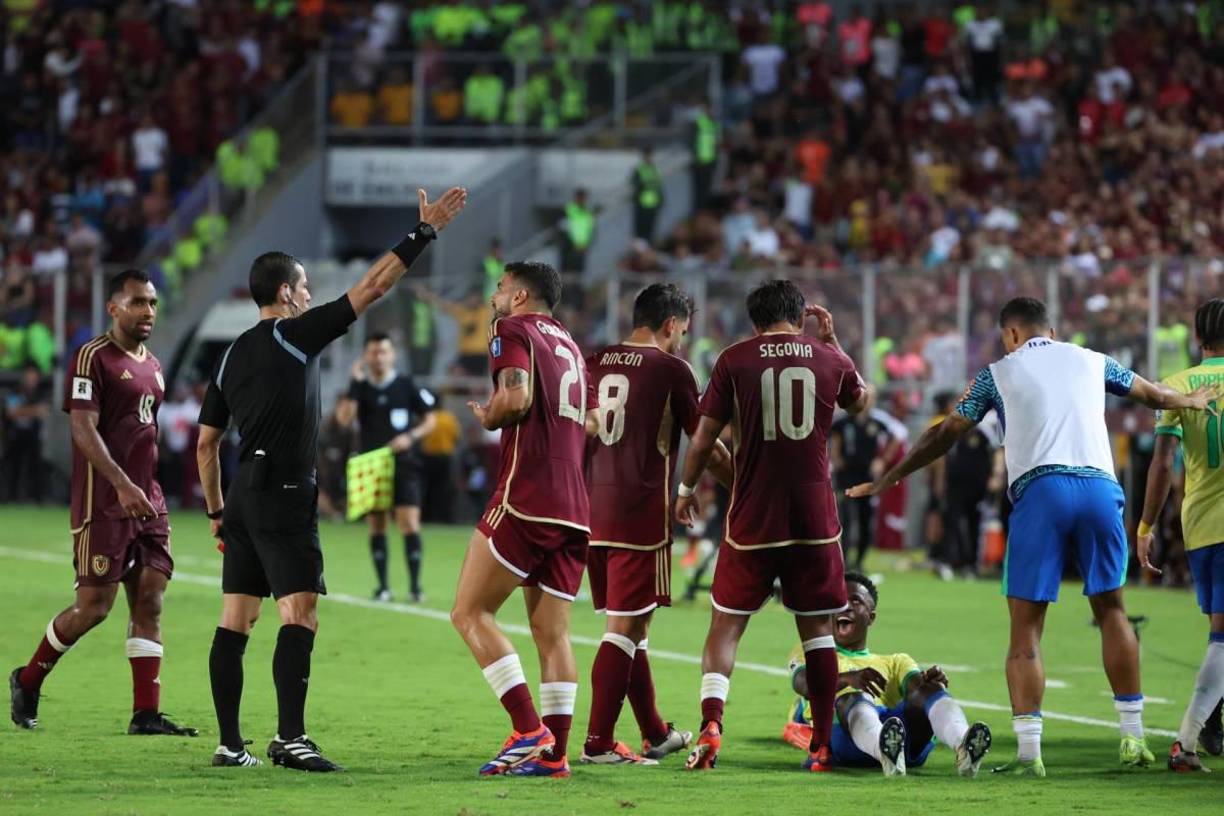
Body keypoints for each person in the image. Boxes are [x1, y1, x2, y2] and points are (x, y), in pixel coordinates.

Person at [847, 296, 1219, 776]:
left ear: (1012, 335)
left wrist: (888, 478)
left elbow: (945, 433)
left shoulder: (997, 372)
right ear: (1051, 328)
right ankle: (1133, 738)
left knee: (1026, 629)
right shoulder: (1092, 359)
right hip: (1101, 489)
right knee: (1112, 612)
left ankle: (1029, 754)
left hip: (1041, 490)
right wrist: (1189, 400)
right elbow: (1150, 394)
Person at [197, 186, 467, 771]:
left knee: (235, 618)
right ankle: (290, 739)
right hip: (286, 492)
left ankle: (229, 743)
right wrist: (423, 232)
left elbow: (206, 443)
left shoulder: (230, 354)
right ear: (285, 294)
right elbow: (373, 287)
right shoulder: (295, 335)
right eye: (303, 286)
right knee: (300, 613)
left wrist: (219, 512)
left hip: (243, 493)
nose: (310, 294)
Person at [674, 280, 870, 773]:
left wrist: (685, 489)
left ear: (754, 321)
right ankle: (822, 745)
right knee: (818, 632)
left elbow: (703, 438)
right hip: (814, 519)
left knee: (726, 624)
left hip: (752, 515)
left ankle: (712, 726)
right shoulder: (828, 358)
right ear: (802, 315)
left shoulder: (735, 359)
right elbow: (860, 403)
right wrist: (836, 345)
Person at [9, 269, 196, 737]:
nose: (148, 311)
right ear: (114, 308)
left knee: (150, 600)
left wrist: (144, 488)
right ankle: (28, 679)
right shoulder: (92, 357)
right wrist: (122, 485)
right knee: (94, 607)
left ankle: (146, 713)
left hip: (147, 498)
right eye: (137, 302)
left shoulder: (152, 364)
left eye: (152, 302)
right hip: (103, 501)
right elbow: (82, 430)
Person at [450, 261, 596, 779]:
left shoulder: (511, 330)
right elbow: (595, 424)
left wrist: (490, 416)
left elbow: (515, 398)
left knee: (469, 613)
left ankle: (529, 729)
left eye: (499, 287)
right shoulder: (573, 348)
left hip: (527, 495)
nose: (494, 294)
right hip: (576, 507)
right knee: (553, 634)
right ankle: (556, 756)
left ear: (520, 295)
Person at [581, 283, 732, 766]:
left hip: (589, 510)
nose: (683, 340)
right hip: (639, 515)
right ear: (670, 324)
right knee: (624, 629)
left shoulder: (596, 359)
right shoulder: (672, 369)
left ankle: (654, 733)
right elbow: (704, 441)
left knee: (634, 626)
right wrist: (746, 485)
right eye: (683, 331)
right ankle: (598, 743)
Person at [785, 571, 992, 777]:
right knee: (853, 697)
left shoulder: (896, 661)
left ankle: (963, 745)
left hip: (903, 741)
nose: (845, 606)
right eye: (839, 601)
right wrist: (850, 679)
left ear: (871, 617)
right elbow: (804, 684)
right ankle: (883, 749)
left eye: (855, 601)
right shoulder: (813, 652)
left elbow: (916, 689)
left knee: (930, 689)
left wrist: (931, 683)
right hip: (845, 741)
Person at [1136, 299, 1224, 772]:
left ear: (1197, 339)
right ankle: (1188, 740)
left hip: (1202, 523)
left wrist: (1147, 526)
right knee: (1222, 639)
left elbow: (1162, 464)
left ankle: (1209, 720)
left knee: (1220, 634)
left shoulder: (1177, 385)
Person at [336, 333, 438, 602]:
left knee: (409, 522)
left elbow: (430, 420)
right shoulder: (361, 388)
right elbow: (345, 420)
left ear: (392, 355)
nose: (378, 357)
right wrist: (353, 384)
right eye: (373, 352)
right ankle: (383, 587)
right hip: (372, 464)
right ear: (366, 356)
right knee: (377, 525)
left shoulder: (405, 385)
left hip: (404, 463)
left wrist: (411, 437)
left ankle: (415, 587)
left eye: (383, 352)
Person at [829, 389, 890, 571]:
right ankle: (844, 560)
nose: (869, 401)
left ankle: (860, 560)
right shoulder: (843, 422)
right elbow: (835, 442)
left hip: (867, 478)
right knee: (846, 518)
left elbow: (895, 438)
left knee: (866, 519)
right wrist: (836, 458)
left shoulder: (878, 423)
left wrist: (882, 460)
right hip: (847, 476)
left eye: (872, 397)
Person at [3, 364, 49, 501]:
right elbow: (11, 413)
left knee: (34, 467)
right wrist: (32, 411)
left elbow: (43, 412)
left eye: (33, 376)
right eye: (28, 376)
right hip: (15, 435)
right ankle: (11, 497)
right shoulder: (16, 392)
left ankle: (36, 497)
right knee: (13, 467)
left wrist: (21, 411)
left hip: (33, 435)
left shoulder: (41, 394)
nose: (31, 379)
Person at [632, 149, 664, 243]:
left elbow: (658, 186)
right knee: (640, 229)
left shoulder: (655, 169)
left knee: (650, 230)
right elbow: (635, 183)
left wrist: (661, 200)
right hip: (642, 203)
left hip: (653, 203)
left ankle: (648, 247)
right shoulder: (639, 169)